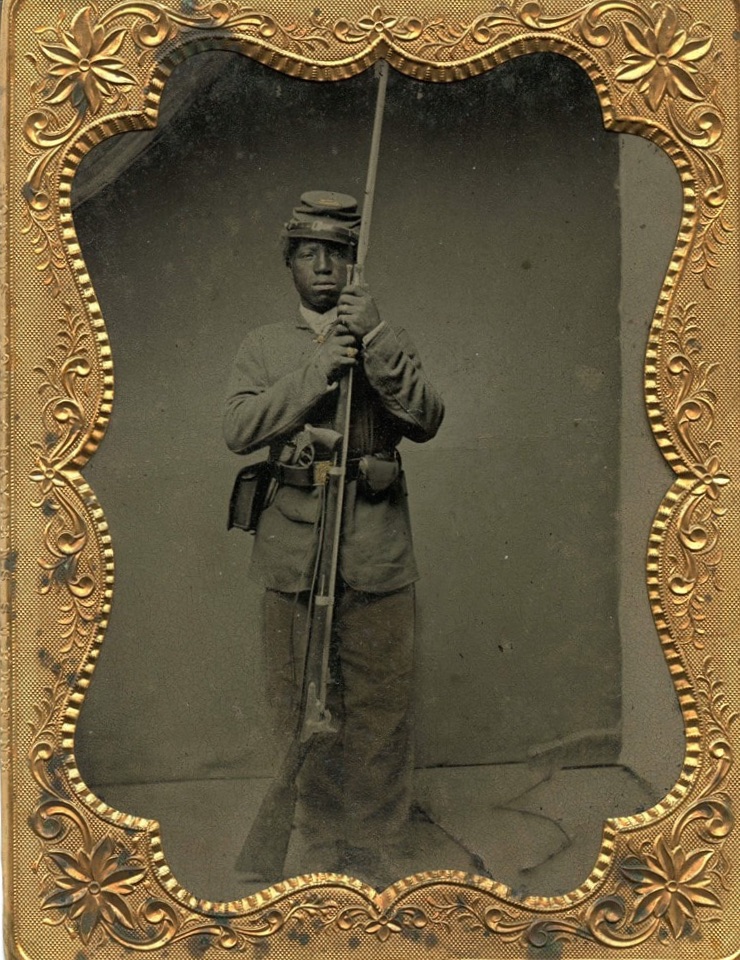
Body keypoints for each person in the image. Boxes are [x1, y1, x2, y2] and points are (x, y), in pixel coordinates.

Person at [223, 190, 444, 888]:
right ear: (288, 261)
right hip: (293, 552)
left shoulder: (384, 333)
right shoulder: (263, 346)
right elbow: (239, 430)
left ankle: (370, 846)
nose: (325, 267)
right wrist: (319, 368)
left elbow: (427, 417)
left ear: (356, 265)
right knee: (299, 703)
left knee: (380, 704)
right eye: (310, 253)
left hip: (374, 547)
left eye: (339, 254)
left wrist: (373, 340)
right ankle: (318, 839)